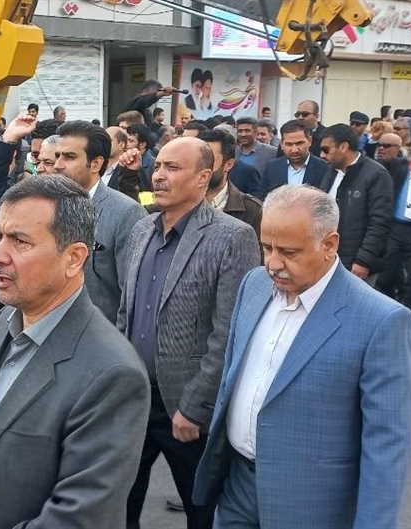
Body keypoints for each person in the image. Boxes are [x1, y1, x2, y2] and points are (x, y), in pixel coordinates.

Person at [0, 176, 150, 529]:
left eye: (20, 241)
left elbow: (79, 517)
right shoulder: (4, 322)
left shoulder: (113, 373)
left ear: (74, 258)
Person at [193, 185, 411, 528]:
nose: (273, 264)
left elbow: (387, 444)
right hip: (237, 488)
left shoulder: (380, 320)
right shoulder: (253, 285)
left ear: (329, 244)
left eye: (289, 252)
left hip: (312, 505)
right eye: (267, 247)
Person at [118, 137, 261, 529]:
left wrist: (197, 405)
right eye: (158, 166)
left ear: (203, 177)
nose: (159, 176)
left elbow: (229, 331)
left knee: (202, 511)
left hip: (187, 408)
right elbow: (125, 313)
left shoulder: (233, 236)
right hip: (134, 398)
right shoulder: (141, 229)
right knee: (118, 505)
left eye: (173, 168)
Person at [53, 121, 146, 320]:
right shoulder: (48, 207)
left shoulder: (126, 213)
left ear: (96, 163)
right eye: (57, 156)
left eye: (69, 157)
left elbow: (132, 296)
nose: (58, 165)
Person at [318, 124, 393, 281]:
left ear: (343, 147)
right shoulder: (331, 172)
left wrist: (363, 260)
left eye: (326, 149)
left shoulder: (376, 174)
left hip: (355, 264)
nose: (322, 155)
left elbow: (379, 222)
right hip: (328, 258)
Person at [375, 132, 411, 315]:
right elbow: (381, 162)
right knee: (387, 274)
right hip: (395, 228)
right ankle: (388, 310)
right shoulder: (400, 167)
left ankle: (410, 313)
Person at [197, 129, 263, 241]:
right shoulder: (176, 202)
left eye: (209, 159)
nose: (201, 166)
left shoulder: (252, 210)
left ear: (228, 164)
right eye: (197, 159)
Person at [260, 120, 326, 197]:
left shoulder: (323, 168)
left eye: (299, 143)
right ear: (282, 144)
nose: (294, 150)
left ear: (310, 141)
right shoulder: (272, 167)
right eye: (289, 144)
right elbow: (263, 197)